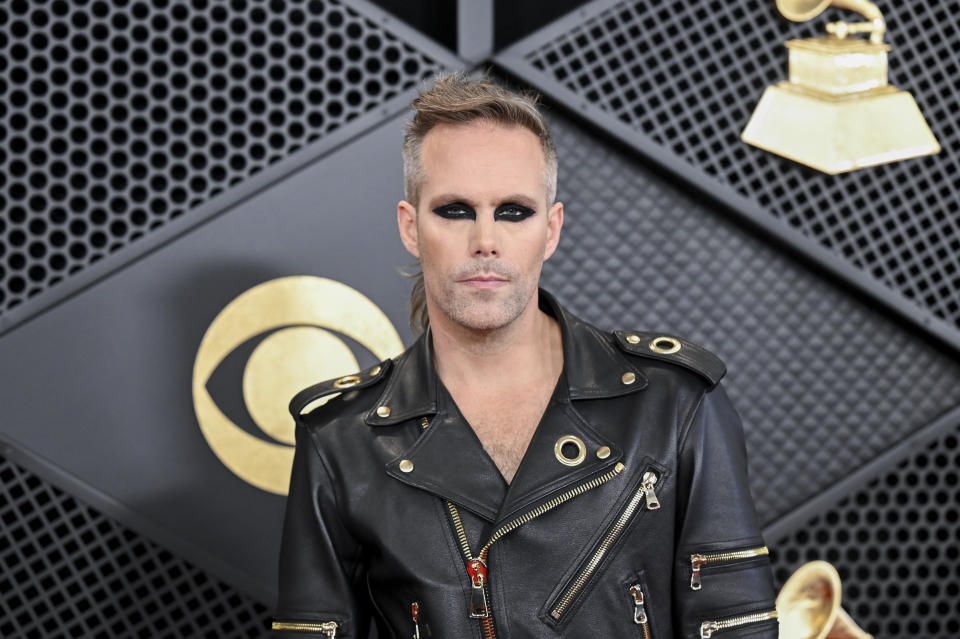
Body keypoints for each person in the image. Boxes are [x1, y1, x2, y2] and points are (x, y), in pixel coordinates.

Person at [271, 72, 778, 638]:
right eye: (455, 211)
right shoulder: (340, 437)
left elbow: (736, 627)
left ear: (551, 229)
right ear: (411, 228)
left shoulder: (676, 405)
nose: (485, 239)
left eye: (513, 211)